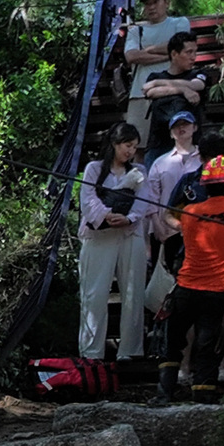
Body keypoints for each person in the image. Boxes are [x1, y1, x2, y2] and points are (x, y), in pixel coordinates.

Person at [155, 154, 224, 404]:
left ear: (205, 186)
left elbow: (172, 215)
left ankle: (164, 395)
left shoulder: (191, 213)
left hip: (185, 290)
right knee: (209, 346)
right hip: (218, 294)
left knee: (171, 343)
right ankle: (203, 398)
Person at [78, 123, 148, 362]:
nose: (130, 151)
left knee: (133, 292)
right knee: (94, 293)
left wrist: (129, 218)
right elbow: (87, 200)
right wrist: (107, 215)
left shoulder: (139, 171)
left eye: (134, 147)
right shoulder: (94, 169)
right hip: (100, 235)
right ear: (115, 144)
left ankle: (130, 350)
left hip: (129, 233)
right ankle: (91, 352)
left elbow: (144, 200)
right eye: (127, 145)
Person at [123, 0, 189, 138]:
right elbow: (131, 56)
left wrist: (148, 50)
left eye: (155, 2)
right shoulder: (136, 31)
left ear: (167, 3)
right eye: (147, 4)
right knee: (136, 141)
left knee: (176, 140)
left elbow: (181, 45)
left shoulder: (179, 23)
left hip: (174, 90)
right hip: (140, 93)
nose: (151, 7)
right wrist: (168, 56)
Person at [140, 108, 200, 263]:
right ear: (171, 133)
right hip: (166, 229)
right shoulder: (160, 163)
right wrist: (156, 226)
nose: (181, 128)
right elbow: (151, 197)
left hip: (200, 229)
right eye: (176, 126)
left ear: (195, 127)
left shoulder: (205, 159)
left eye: (185, 124)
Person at [142, 34, 212, 165]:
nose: (193, 57)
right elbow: (150, 92)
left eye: (195, 52)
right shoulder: (155, 76)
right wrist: (182, 90)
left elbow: (197, 85)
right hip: (159, 145)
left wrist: (158, 83)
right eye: (188, 52)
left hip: (191, 146)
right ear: (174, 54)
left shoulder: (197, 74)